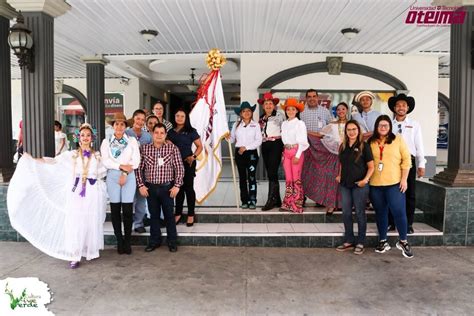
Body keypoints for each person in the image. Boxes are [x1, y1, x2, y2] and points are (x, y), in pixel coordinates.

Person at [7, 123, 107, 269]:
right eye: (83, 135)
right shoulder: (72, 155)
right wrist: (34, 160)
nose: (85, 138)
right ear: (78, 138)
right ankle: (74, 253)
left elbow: (101, 174)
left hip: (92, 191)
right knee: (75, 221)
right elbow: (53, 161)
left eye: (88, 135)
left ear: (92, 138)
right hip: (76, 191)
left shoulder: (97, 156)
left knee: (89, 219)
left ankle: (89, 250)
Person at [368, 115, 413, 258]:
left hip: (394, 183)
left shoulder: (398, 139)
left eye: (386, 125)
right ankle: (383, 240)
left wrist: (404, 180)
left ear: (390, 127)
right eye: (380, 125)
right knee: (380, 213)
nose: (383, 128)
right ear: (376, 127)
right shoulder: (371, 142)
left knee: (399, 211)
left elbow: (406, 160)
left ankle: (403, 241)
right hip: (375, 184)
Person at [136, 123, 184, 253]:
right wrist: (141, 185)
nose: (159, 135)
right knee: (154, 216)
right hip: (150, 188)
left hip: (167, 188)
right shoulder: (144, 149)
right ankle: (154, 241)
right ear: (152, 134)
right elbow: (139, 169)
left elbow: (179, 168)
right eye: (156, 132)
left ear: (165, 135)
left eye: (162, 133)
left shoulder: (172, 148)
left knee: (169, 216)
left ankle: (172, 241)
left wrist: (177, 186)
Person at [100, 113, 140, 255]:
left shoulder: (131, 141)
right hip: (112, 177)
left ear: (125, 126)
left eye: (122, 124)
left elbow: (136, 161)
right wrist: (121, 168)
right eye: (116, 124)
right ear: (113, 125)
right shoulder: (107, 142)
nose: (119, 126)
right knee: (116, 210)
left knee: (128, 210)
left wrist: (124, 172)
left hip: (128, 176)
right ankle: (119, 241)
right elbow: (106, 161)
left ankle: (128, 241)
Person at [388, 94, 426, 234]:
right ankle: (391, 222)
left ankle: (408, 224)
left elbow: (419, 145)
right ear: (394, 108)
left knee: (409, 194)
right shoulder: (389, 124)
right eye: (398, 105)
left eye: (404, 105)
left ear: (408, 108)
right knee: (391, 193)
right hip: (391, 162)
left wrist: (421, 163)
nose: (401, 108)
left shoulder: (414, 125)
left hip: (409, 162)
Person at [335, 120, 374, 255]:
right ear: (346, 132)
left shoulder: (364, 146)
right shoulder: (343, 146)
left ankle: (361, 242)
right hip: (345, 184)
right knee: (346, 213)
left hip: (360, 185)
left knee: (359, 213)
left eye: (354, 129)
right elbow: (342, 164)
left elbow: (371, 167)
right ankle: (349, 240)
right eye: (349, 130)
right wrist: (339, 175)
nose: (351, 132)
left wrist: (365, 180)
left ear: (358, 131)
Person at [301, 96, 343, 215]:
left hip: (348, 156)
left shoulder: (352, 124)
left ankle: (342, 204)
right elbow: (320, 135)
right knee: (332, 179)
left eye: (343, 109)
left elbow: (361, 135)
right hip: (333, 154)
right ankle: (330, 204)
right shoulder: (332, 125)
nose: (341, 112)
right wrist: (305, 132)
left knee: (346, 180)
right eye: (339, 110)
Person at [168, 109, 203, 226]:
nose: (179, 118)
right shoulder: (170, 132)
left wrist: (193, 156)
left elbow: (199, 146)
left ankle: (191, 214)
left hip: (188, 163)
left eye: (182, 116)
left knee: (188, 188)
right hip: (174, 164)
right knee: (178, 189)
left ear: (186, 118)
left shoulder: (191, 131)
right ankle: (178, 213)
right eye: (177, 116)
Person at [229, 101, 263, 209]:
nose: (247, 113)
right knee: (242, 178)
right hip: (239, 153)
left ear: (251, 112)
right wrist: (227, 136)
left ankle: (252, 200)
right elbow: (232, 139)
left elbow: (259, 141)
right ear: (241, 113)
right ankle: (244, 200)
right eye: (244, 111)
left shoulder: (256, 125)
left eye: (249, 110)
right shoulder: (236, 125)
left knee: (251, 177)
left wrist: (246, 148)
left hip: (251, 153)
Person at [125, 109, 152, 234]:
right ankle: (127, 223)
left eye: (143, 120)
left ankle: (139, 223)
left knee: (141, 199)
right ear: (133, 118)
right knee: (129, 199)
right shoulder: (126, 133)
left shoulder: (147, 136)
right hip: (129, 171)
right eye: (138, 119)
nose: (140, 122)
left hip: (142, 172)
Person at [280, 98, 309, 213]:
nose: (290, 111)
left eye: (293, 109)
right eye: (288, 109)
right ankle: (287, 202)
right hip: (286, 151)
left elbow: (303, 141)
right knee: (288, 178)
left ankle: (297, 204)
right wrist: (284, 152)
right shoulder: (284, 123)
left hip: (297, 151)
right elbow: (283, 139)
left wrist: (297, 155)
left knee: (296, 178)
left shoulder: (300, 123)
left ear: (297, 111)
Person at [258, 92, 284, 211]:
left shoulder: (279, 116)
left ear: (274, 105)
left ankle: (270, 200)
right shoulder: (262, 118)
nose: (268, 105)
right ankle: (277, 199)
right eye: (266, 103)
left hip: (276, 144)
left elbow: (284, 131)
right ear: (263, 106)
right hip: (265, 145)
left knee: (272, 172)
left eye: (270, 103)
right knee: (270, 172)